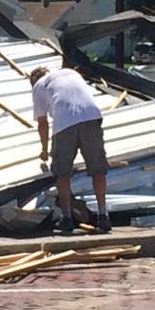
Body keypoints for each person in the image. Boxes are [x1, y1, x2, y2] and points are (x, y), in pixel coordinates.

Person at [29, 65, 111, 234]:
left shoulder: (39, 85)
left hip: (64, 123)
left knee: (62, 172)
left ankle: (66, 218)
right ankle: (103, 215)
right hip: (92, 117)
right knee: (98, 169)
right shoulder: (71, 73)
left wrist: (44, 149)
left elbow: (43, 123)